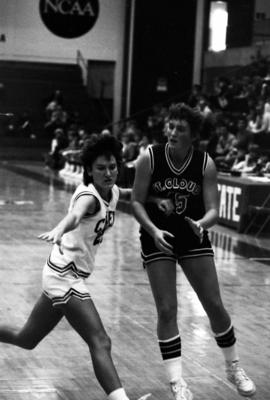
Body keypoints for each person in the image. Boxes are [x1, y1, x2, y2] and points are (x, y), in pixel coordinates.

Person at [0, 134, 150, 400]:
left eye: (112, 167)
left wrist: (154, 197)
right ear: (89, 170)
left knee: (26, 338)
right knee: (100, 340)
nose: (108, 173)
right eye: (101, 168)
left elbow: (126, 193)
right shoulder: (88, 196)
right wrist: (60, 227)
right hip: (64, 277)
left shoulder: (112, 192)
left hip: (60, 273)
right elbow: (75, 215)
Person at [131, 103, 256, 400]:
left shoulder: (205, 164)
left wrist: (202, 223)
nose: (173, 132)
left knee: (213, 303)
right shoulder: (149, 158)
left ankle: (233, 366)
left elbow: (214, 210)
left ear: (193, 136)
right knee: (167, 309)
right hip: (157, 235)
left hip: (192, 235)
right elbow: (135, 201)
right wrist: (153, 230)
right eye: (171, 126)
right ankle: (177, 382)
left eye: (181, 129)